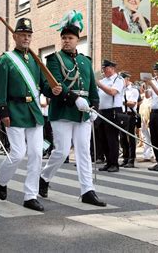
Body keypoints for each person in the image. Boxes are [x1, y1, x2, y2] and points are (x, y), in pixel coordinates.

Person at [0, 17, 62, 212]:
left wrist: (53, 91)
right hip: (14, 111)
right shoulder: (6, 60)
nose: (26, 38)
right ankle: (2, 179)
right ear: (15, 36)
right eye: (22, 35)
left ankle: (30, 195)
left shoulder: (34, 60)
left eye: (29, 35)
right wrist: (3, 112)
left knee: (36, 155)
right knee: (17, 153)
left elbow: (42, 86)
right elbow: (1, 89)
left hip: (33, 112)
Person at [38, 11, 105, 207]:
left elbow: (92, 86)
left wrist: (94, 107)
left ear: (77, 40)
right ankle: (44, 177)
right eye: (64, 38)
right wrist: (74, 99)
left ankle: (87, 190)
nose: (67, 41)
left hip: (83, 113)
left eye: (71, 38)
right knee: (62, 150)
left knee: (84, 151)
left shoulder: (85, 61)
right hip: (63, 111)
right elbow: (56, 82)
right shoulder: (54, 59)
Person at [96, 59, 124, 173]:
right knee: (103, 138)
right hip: (102, 111)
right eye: (103, 69)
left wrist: (99, 84)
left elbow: (112, 92)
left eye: (106, 69)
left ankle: (114, 163)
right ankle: (108, 162)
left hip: (113, 111)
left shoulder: (119, 80)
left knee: (112, 138)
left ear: (112, 69)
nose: (104, 71)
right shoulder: (103, 80)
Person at [119, 71, 139, 168]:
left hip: (130, 115)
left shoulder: (133, 90)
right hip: (121, 114)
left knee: (130, 137)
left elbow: (132, 103)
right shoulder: (120, 89)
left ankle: (131, 159)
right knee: (122, 138)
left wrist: (122, 102)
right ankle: (125, 158)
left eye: (122, 79)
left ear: (127, 79)